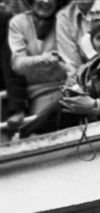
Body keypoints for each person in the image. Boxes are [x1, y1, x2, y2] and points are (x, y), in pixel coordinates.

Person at [7, 0, 75, 135]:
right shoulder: (19, 22)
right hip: (37, 94)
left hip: (67, 87)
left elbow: (72, 62)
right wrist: (44, 59)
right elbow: (18, 64)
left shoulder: (64, 19)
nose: (46, 1)